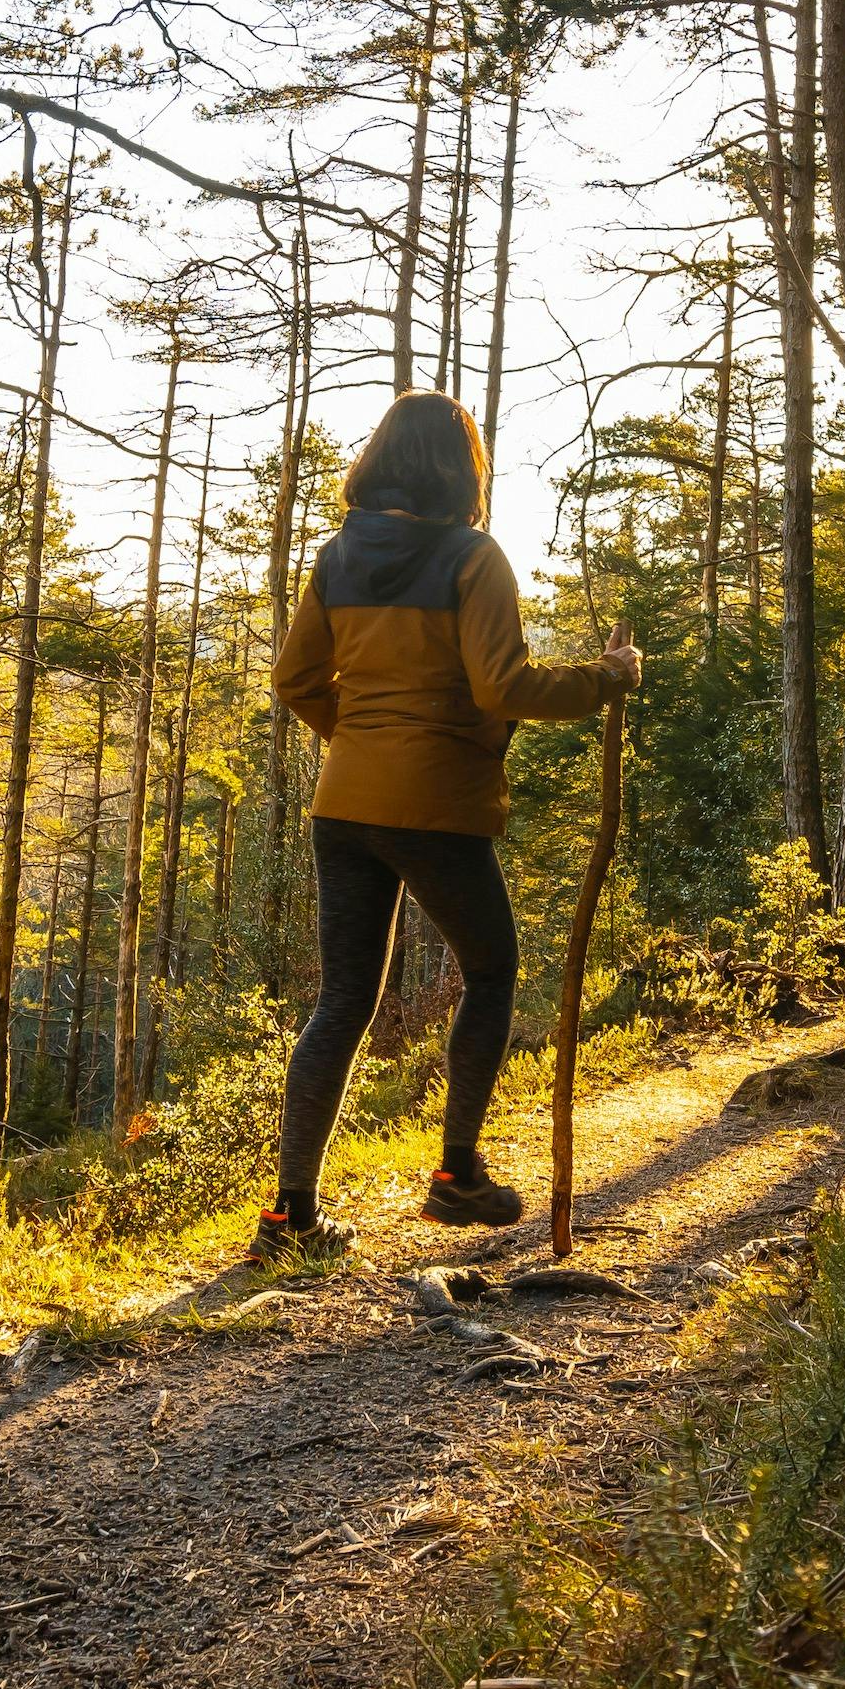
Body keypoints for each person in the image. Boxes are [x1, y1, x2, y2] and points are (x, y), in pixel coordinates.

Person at [253, 390, 641, 1262]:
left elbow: (294, 681)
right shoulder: (474, 557)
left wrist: (361, 743)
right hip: (434, 806)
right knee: (492, 971)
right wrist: (609, 676)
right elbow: (504, 687)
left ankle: (290, 1217)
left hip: (345, 803)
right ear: (460, 467)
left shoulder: (336, 555)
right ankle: (456, 1176)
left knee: (343, 1001)